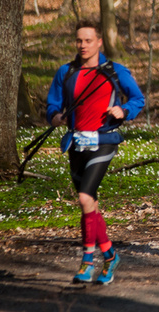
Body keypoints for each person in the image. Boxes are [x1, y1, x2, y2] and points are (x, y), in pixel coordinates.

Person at [46, 20, 145, 285]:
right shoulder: (65, 72)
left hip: (104, 141)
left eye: (88, 40)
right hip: (76, 143)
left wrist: (123, 111)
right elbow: (53, 103)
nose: (82, 45)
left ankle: (87, 262)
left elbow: (137, 98)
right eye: (79, 40)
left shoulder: (115, 71)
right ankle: (110, 256)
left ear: (99, 42)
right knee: (90, 205)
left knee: (84, 198)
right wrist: (55, 117)